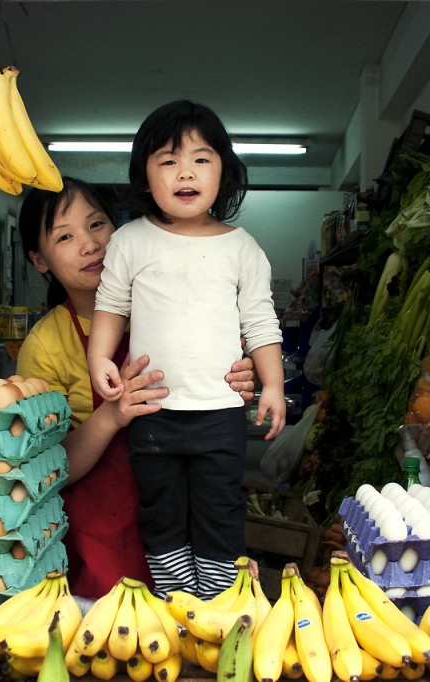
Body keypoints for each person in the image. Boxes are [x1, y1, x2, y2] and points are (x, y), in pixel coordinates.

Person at [15, 177, 256, 599]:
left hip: (193, 538)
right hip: (103, 548)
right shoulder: (45, 346)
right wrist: (112, 414)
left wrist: (238, 378)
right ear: (40, 260)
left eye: (97, 225)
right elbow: (46, 471)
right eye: (65, 237)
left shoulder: (183, 309)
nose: (90, 245)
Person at [87, 100, 286, 598]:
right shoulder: (130, 241)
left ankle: (217, 603)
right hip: (152, 411)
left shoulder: (243, 248)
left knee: (219, 509)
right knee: (162, 509)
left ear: (224, 171)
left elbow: (261, 321)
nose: (185, 173)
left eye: (201, 159)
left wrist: (275, 385)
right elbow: (111, 306)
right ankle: (177, 602)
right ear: (145, 176)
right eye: (168, 161)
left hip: (219, 413)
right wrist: (98, 359)